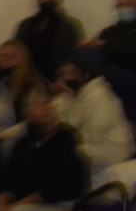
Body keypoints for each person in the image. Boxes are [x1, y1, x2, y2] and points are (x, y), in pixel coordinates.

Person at [55, 52, 136, 194]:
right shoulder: (69, 97)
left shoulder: (99, 94)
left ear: (86, 75)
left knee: (63, 156)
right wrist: (64, 97)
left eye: (72, 73)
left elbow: (94, 134)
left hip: (110, 148)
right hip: (88, 146)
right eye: (63, 74)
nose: (67, 77)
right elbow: (56, 123)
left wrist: (64, 144)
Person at [13, 0, 83, 81]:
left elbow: (74, 54)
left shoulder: (70, 25)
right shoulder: (25, 24)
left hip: (57, 76)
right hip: (27, 76)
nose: (45, 1)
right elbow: (16, 49)